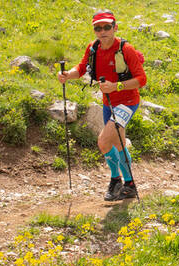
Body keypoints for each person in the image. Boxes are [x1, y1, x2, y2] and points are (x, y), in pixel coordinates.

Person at [57, 10, 147, 201]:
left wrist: (116, 86)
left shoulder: (126, 49)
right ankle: (129, 185)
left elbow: (141, 79)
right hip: (108, 103)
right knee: (118, 143)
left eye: (107, 27)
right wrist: (67, 75)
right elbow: (81, 68)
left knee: (104, 141)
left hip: (127, 102)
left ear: (115, 27)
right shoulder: (93, 48)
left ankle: (115, 180)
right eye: (98, 28)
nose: (102, 31)